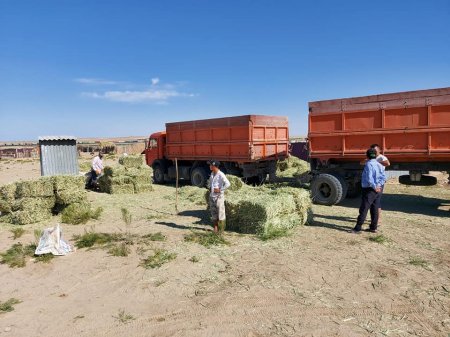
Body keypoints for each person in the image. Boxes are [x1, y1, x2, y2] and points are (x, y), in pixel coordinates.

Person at [351, 148, 386, 233]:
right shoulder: (379, 164)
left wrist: (374, 186)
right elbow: (383, 177)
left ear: (367, 156)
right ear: (376, 155)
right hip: (378, 189)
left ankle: (357, 228)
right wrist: (379, 186)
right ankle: (373, 227)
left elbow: (370, 179)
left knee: (364, 208)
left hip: (370, 189)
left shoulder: (368, 164)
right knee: (375, 208)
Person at [370, 144, 390, 226]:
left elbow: (387, 163)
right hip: (372, 181)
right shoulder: (371, 157)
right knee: (372, 201)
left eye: (375, 150)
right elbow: (361, 162)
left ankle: (378, 219)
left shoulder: (382, 157)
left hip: (379, 182)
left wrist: (376, 162)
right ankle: (374, 217)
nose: (373, 151)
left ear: (379, 150)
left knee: (377, 201)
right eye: (372, 150)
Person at [208, 160, 230, 233]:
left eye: (211, 165)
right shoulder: (212, 174)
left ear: (214, 166)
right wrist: (210, 188)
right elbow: (211, 184)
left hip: (219, 196)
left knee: (221, 213)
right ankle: (215, 228)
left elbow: (228, 184)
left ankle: (221, 230)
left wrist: (220, 189)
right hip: (212, 195)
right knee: (213, 212)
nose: (209, 166)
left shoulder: (221, 174)